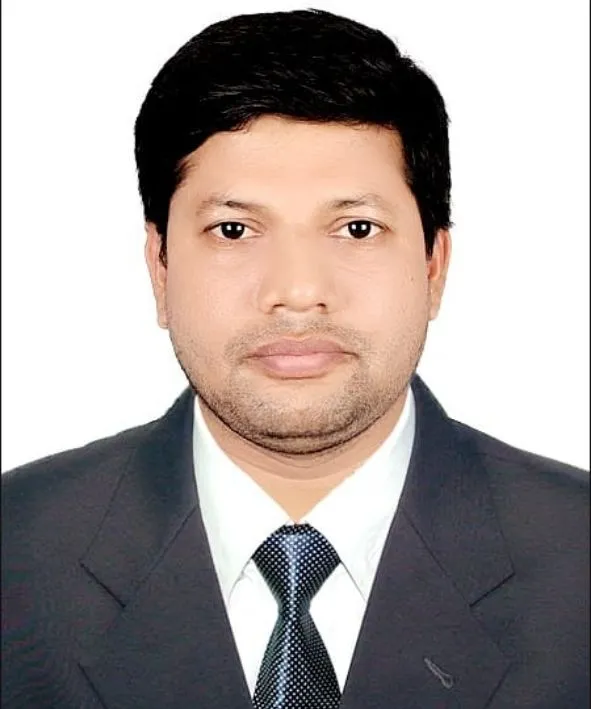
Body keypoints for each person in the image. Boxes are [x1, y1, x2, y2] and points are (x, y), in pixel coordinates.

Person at [2, 8, 588, 708]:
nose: (298, 291)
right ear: (159, 268)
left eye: (356, 228)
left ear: (434, 264)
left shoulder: (577, 561)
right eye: (234, 229)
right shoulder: (17, 552)